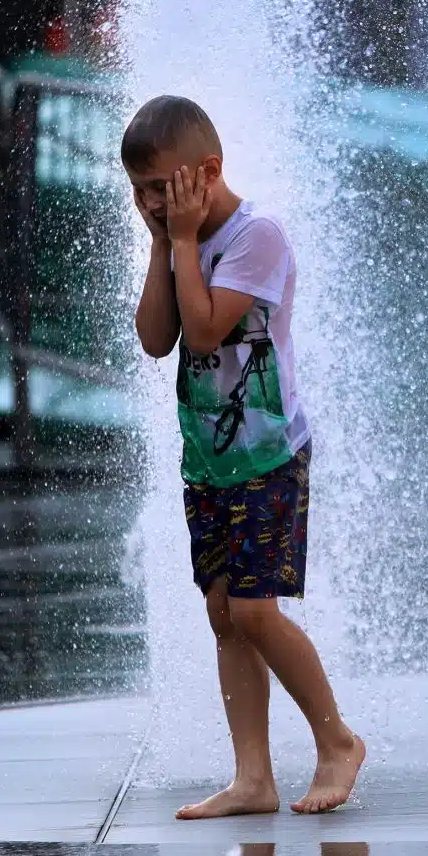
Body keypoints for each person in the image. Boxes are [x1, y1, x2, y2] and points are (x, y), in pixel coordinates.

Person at [123, 95, 363, 817]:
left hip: (266, 457)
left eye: (161, 188)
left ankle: (337, 742)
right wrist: (164, 244)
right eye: (138, 191)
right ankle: (253, 777)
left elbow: (202, 334)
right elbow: (155, 337)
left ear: (209, 171)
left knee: (257, 610)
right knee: (226, 615)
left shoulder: (258, 237)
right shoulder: (180, 242)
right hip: (209, 462)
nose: (150, 202)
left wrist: (186, 240)